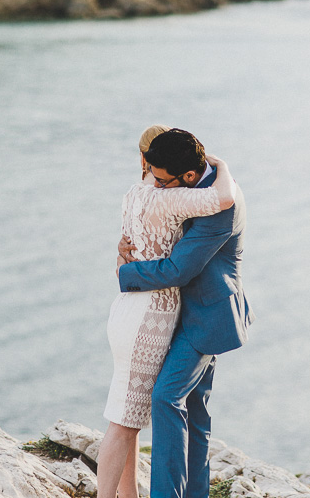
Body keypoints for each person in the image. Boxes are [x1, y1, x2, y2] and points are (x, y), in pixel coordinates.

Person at [97, 125, 238, 498]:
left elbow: (162, 262)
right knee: (138, 417)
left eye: (163, 180)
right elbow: (170, 252)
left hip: (175, 315)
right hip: (157, 316)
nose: (158, 184)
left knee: (150, 408)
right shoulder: (174, 193)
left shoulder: (140, 195)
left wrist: (124, 269)